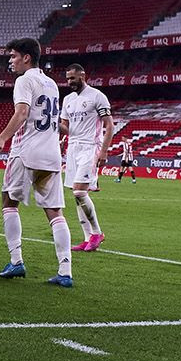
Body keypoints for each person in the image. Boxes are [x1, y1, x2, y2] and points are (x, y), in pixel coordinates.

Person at [0, 37, 73, 287]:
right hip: (51, 154)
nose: (10, 61)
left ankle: (16, 261)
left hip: (25, 152)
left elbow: (22, 112)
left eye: (13, 56)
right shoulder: (51, 84)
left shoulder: (24, 80)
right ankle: (65, 271)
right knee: (55, 212)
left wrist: (2, 137)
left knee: (8, 201)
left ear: (26, 57)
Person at [61, 63, 114, 252]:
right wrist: (52, 123)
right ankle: (87, 238)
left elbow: (110, 125)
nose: (69, 82)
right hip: (73, 148)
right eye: (67, 79)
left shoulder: (97, 96)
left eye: (72, 78)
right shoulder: (67, 100)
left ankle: (97, 233)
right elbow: (66, 128)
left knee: (79, 192)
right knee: (77, 196)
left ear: (82, 76)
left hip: (90, 148)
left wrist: (104, 151)